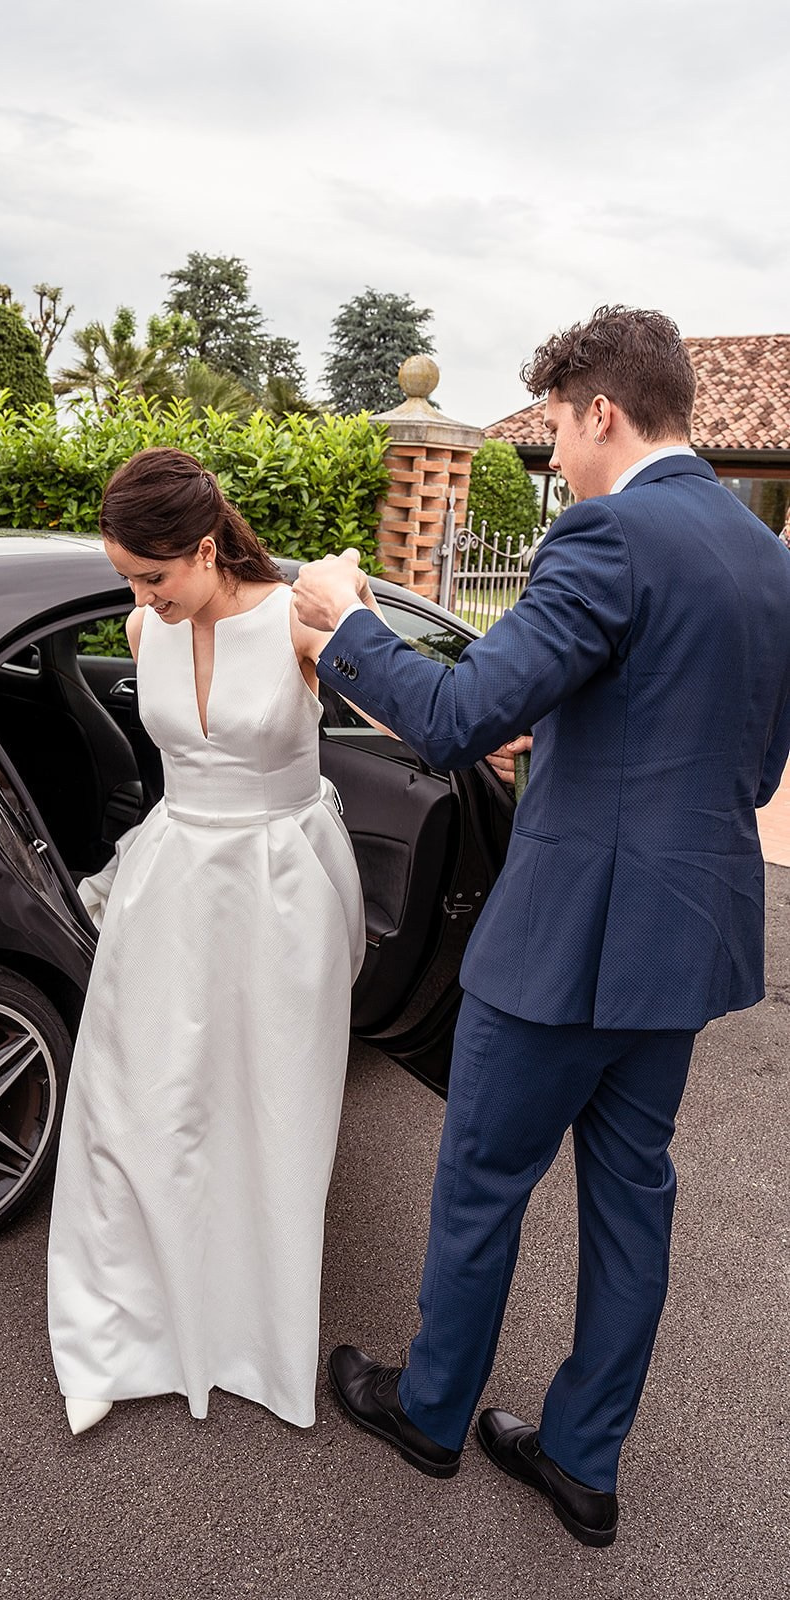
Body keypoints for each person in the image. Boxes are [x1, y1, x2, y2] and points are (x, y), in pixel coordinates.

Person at [292, 306, 790, 1547]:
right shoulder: (766, 558)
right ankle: (580, 1461)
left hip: (569, 935)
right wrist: (573, 752)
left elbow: (455, 716)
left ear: (601, 412)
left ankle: (428, 1410)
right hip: (688, 935)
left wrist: (344, 621)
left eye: (558, 430)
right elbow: (750, 760)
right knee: (632, 1197)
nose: (553, 456)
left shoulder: (604, 533)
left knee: (479, 1183)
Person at [47, 446, 368, 1434]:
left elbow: (397, 704)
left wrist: (350, 590)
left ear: (202, 544)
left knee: (268, 1108)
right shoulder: (146, 626)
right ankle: (128, 1324)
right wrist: (144, 604)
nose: (139, 598)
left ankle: (255, 1337)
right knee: (136, 1101)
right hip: (170, 884)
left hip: (279, 893)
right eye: (126, 581)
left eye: (152, 576)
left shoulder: (294, 621)